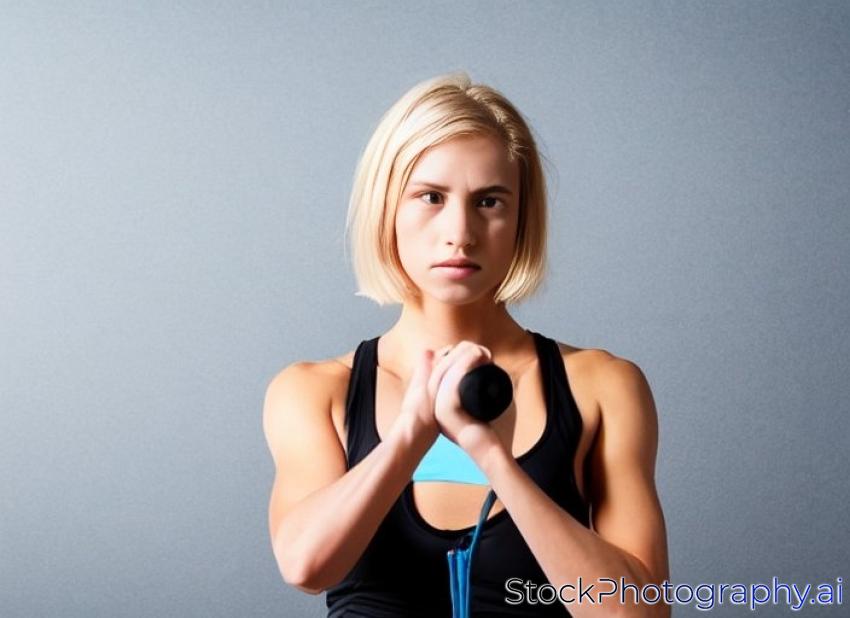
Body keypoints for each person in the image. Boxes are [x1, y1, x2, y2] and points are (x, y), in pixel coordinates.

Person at [263, 72, 670, 617]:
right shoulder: (314, 392)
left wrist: (495, 458)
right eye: (431, 197)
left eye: (489, 202)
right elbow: (306, 568)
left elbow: (638, 613)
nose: (461, 232)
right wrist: (410, 435)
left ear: (521, 219)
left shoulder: (601, 386)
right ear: (387, 208)